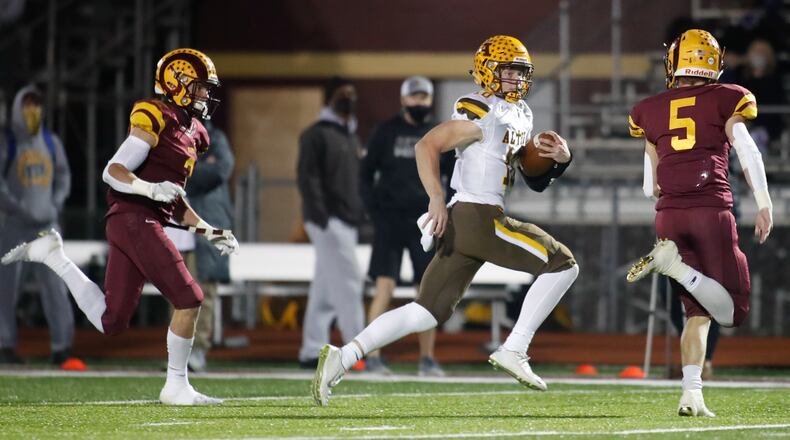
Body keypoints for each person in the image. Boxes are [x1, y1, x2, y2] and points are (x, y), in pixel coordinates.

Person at [312, 35, 578, 406]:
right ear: (487, 73)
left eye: (521, 73)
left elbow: (529, 176)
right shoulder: (482, 109)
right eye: (508, 72)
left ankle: (344, 356)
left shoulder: (521, 113)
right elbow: (427, 145)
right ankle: (514, 348)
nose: (516, 80)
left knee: (425, 311)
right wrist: (436, 198)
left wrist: (560, 159)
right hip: (477, 215)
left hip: (472, 220)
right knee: (563, 263)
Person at [1, 48, 238, 405]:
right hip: (134, 218)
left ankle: (55, 257)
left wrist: (207, 230)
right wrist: (147, 188)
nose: (206, 94)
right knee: (190, 298)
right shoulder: (155, 115)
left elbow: (173, 200)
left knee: (111, 321)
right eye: (201, 87)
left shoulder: (195, 132)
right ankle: (176, 386)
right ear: (178, 84)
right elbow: (112, 170)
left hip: (138, 220)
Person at [627, 29, 771, 417]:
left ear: (672, 63)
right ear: (714, 62)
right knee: (733, 311)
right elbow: (748, 149)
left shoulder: (649, 108)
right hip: (711, 210)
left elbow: (648, 187)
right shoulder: (728, 97)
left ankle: (692, 394)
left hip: (668, 217)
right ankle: (672, 264)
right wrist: (764, 202)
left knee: (698, 312)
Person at [360, 76, 452, 376]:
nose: (419, 103)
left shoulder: (437, 133)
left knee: (427, 291)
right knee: (384, 287)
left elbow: (454, 172)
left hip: (424, 221)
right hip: (388, 219)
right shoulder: (385, 132)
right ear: (403, 100)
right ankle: (372, 357)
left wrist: (445, 207)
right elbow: (365, 174)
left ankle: (427, 359)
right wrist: (374, 211)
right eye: (414, 97)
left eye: (424, 98)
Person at [0, 85, 77, 366]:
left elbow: (64, 177)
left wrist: (54, 204)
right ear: (18, 108)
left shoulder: (50, 141)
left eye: (37, 105)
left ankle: (61, 346)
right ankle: (4, 344)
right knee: (7, 288)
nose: (33, 110)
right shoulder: (7, 141)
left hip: (46, 226)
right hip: (14, 226)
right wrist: (16, 207)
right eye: (28, 104)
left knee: (55, 286)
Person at [296, 76, 366, 368]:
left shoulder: (350, 135)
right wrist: (321, 217)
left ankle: (311, 350)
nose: (348, 98)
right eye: (342, 94)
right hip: (328, 220)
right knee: (350, 283)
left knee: (325, 289)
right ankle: (358, 350)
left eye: (352, 94)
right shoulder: (315, 134)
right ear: (328, 98)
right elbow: (307, 178)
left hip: (346, 219)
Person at [183, 120, 235, 372]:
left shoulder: (216, 137)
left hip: (209, 221)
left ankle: (198, 350)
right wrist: (202, 167)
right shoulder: (172, 134)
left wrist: (185, 170)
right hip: (177, 223)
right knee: (177, 291)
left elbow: (220, 171)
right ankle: (178, 350)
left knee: (204, 291)